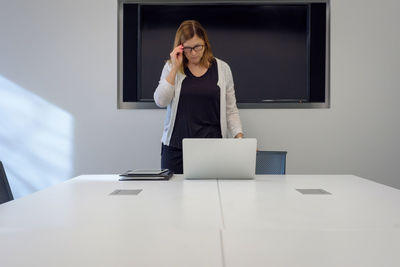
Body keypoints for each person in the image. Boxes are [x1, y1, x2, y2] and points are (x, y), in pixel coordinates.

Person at [154, 20, 243, 174]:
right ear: (180, 48)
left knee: (211, 196)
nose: (193, 53)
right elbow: (161, 101)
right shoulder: (171, 67)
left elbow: (231, 110)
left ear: (205, 44)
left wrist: (239, 138)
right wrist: (175, 67)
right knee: (172, 197)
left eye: (197, 47)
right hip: (176, 150)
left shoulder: (222, 69)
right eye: (187, 48)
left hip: (213, 150)